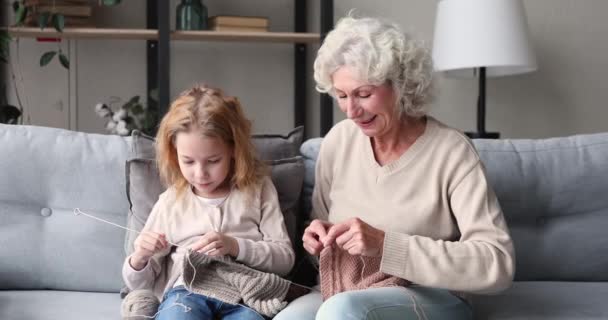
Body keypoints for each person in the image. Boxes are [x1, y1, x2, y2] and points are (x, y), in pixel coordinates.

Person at [274, 15, 515, 320]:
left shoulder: (451, 152)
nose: (351, 110)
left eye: (364, 94)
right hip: (346, 289)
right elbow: (321, 235)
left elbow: (496, 263)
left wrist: (386, 246)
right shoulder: (338, 141)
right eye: (342, 95)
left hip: (430, 294)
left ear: (401, 86)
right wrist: (316, 242)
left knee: (341, 311)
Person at [122, 85, 295, 320]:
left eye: (213, 160)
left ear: (234, 148)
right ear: (174, 153)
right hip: (187, 292)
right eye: (188, 161)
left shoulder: (258, 189)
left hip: (246, 293)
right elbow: (139, 283)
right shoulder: (171, 201)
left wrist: (235, 246)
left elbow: (284, 259)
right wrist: (139, 257)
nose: (200, 173)